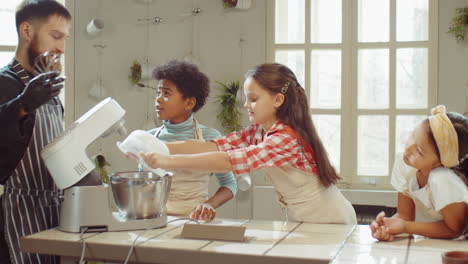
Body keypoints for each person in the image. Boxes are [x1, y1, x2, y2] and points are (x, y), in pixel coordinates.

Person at [141, 63, 357, 224]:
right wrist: (156, 145)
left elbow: (228, 161)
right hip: (301, 219)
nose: (246, 105)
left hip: (331, 220)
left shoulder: (285, 139)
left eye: (253, 99)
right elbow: (214, 146)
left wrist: (169, 161)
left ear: (277, 100)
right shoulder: (259, 131)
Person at [0, 1, 71, 263]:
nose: (61, 48)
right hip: (14, 214)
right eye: (55, 36)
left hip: (51, 213)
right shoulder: (4, 83)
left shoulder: (49, 93)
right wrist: (22, 106)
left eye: (64, 38)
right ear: (27, 30)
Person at [139, 60, 237, 222]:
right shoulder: (148, 138)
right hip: (154, 221)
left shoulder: (210, 138)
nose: (158, 99)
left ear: (189, 103)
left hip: (195, 221)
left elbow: (230, 185)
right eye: (158, 93)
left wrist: (209, 205)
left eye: (167, 94)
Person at [370, 105, 468, 241]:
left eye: (420, 151)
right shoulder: (404, 164)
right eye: (413, 135)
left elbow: (455, 230)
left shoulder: (443, 179)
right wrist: (387, 227)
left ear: (440, 163)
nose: (409, 148)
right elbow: (405, 216)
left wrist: (406, 227)